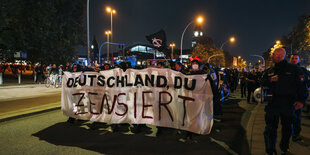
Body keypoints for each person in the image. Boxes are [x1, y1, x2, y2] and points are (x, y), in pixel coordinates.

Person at [261, 48, 307, 155]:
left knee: (287, 128)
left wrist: (301, 100)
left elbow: (302, 85)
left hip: (288, 103)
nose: (272, 56)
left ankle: (284, 147)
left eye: (274, 54)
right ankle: (271, 150)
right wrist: (269, 80)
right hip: (273, 103)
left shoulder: (294, 70)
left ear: (279, 55)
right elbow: (262, 83)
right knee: (270, 129)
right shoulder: (270, 71)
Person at [289, 54, 309, 142]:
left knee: (297, 118)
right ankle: (288, 134)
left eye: (296, 58)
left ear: (299, 60)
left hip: (297, 100)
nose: (294, 60)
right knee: (287, 118)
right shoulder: (286, 69)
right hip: (287, 99)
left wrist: (302, 100)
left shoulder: (303, 71)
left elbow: (306, 85)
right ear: (289, 59)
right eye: (292, 58)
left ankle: (296, 134)